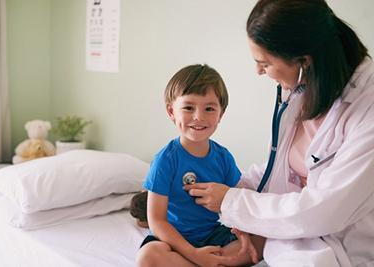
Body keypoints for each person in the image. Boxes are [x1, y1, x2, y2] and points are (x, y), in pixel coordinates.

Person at [185, 0, 374, 266]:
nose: (258, 71)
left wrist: (233, 202)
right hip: (294, 239)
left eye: (264, 63)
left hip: (342, 247)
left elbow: (323, 209)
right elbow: (283, 165)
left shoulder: (367, 109)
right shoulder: (306, 88)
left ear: (304, 61)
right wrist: (235, 189)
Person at [136, 64, 262, 267]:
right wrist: (195, 254)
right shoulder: (165, 160)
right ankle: (205, 263)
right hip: (172, 240)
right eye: (188, 107)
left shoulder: (223, 157)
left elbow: (236, 200)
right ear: (171, 111)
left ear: (220, 114)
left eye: (209, 109)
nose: (198, 117)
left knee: (263, 240)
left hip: (213, 235)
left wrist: (243, 231)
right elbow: (157, 221)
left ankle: (206, 262)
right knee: (148, 257)